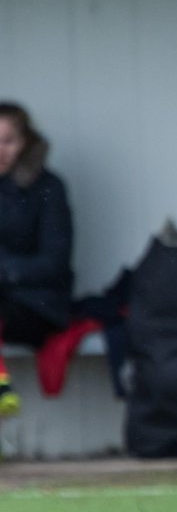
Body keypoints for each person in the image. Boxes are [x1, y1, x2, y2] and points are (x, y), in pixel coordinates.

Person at [0, 102, 73, 417]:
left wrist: (5, 272)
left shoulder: (48, 188)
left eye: (8, 141)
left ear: (26, 142)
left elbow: (55, 262)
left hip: (37, 305)